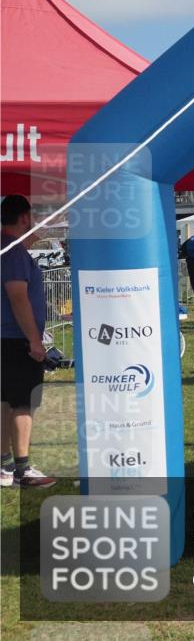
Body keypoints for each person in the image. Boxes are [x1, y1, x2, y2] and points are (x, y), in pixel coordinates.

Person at [1, 195, 55, 488]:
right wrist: (35, 341)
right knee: (22, 403)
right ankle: (22, 469)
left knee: (4, 401)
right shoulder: (15, 254)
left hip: (5, 339)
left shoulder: (8, 249)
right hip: (17, 340)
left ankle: (5, 467)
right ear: (24, 218)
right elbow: (18, 297)